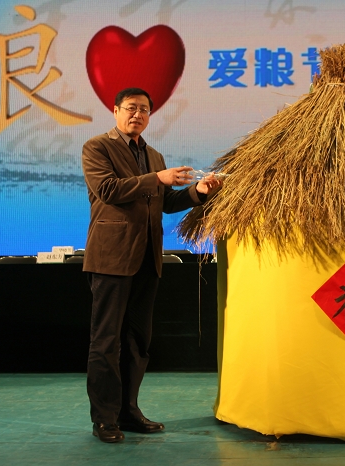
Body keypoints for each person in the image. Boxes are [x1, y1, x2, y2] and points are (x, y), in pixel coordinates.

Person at [81, 87, 221, 443]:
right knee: (106, 341)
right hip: (111, 257)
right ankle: (104, 419)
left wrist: (199, 193)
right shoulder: (97, 147)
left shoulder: (154, 155)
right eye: (131, 108)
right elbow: (109, 190)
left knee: (137, 341)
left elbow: (165, 202)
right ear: (115, 111)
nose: (137, 115)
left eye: (144, 110)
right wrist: (157, 178)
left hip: (147, 257)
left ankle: (128, 411)